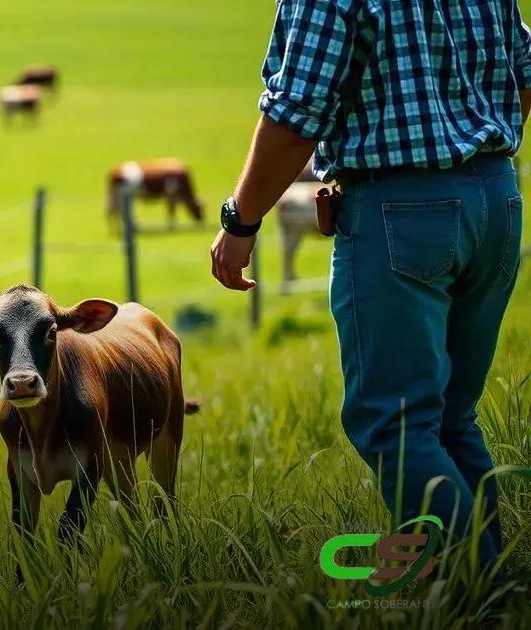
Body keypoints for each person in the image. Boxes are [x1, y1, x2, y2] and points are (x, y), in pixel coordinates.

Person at [210, 0, 531, 570]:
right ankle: (488, 585)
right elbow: (523, 73)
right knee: (451, 417)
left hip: (401, 208)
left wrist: (242, 221)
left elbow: (296, 114)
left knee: (397, 426)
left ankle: (482, 593)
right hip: (497, 198)